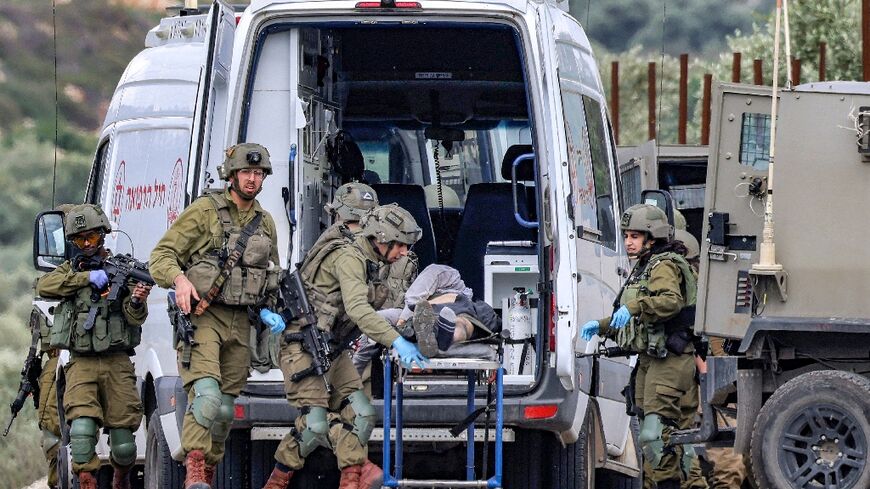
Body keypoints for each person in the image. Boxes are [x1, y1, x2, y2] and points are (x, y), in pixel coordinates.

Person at [259, 204, 426, 489]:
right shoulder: (350, 258)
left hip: (330, 349)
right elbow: (359, 310)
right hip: (301, 347)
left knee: (362, 414)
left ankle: (351, 481)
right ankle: (277, 483)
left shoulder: (368, 258)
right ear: (382, 239)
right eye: (400, 246)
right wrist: (396, 341)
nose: (403, 254)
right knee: (315, 425)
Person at [149, 143, 281, 489]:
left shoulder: (264, 223)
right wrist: (179, 280)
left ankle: (207, 470)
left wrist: (271, 311)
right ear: (231, 175)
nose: (252, 179)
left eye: (258, 173)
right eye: (246, 173)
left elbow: (272, 273)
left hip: (242, 324)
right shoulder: (204, 212)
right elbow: (162, 255)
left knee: (224, 411)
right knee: (205, 397)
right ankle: (193, 467)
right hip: (204, 319)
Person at [581, 204, 699, 489]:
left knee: (654, 434)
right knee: (657, 436)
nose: (628, 242)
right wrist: (602, 324)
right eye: (626, 235)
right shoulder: (645, 266)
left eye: (635, 236)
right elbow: (634, 319)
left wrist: (634, 307)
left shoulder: (665, 265)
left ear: (652, 237)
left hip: (670, 359)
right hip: (651, 359)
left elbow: (670, 302)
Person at [36, 204, 152, 489]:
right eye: (79, 240)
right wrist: (85, 278)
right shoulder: (70, 271)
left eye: (91, 238)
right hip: (81, 363)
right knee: (83, 433)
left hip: (117, 362)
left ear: (103, 235)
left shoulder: (122, 269)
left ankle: (120, 480)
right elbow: (44, 285)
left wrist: (136, 299)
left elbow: (134, 316)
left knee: (124, 446)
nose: (87, 245)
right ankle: (87, 482)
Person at [34, 203, 76, 489]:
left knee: (56, 426)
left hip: (73, 357)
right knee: (51, 428)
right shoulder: (57, 276)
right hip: (54, 357)